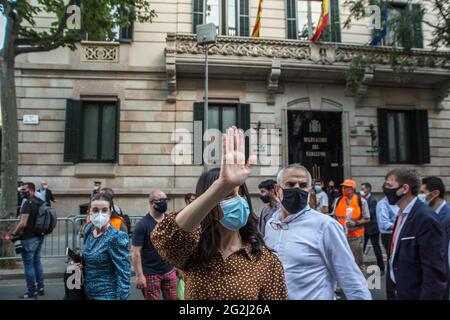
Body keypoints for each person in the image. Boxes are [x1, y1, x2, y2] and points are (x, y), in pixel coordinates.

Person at [151, 127, 287, 299]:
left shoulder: (266, 261)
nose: (237, 201)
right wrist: (222, 185)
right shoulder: (193, 252)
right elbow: (166, 237)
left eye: (240, 194)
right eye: (227, 195)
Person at [264, 164, 371, 300]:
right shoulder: (271, 225)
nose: (297, 188)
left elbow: (351, 279)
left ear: (309, 190)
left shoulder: (326, 226)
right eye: (290, 184)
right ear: (277, 190)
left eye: (302, 185)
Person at [383, 168, 448, 299]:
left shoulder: (425, 218)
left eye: (389, 185)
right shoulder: (402, 213)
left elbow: (434, 272)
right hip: (402, 291)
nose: (385, 189)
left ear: (405, 188)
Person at [82, 193, 131, 300]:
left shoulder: (116, 238)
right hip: (87, 293)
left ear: (110, 212)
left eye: (104, 210)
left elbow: (124, 274)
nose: (100, 214)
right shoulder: (88, 230)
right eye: (95, 210)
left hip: (107, 294)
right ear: (89, 212)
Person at [131, 190, 177, 300]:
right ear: (152, 203)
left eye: (166, 200)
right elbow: (135, 252)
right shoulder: (142, 225)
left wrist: (178, 267)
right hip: (150, 274)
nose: (164, 203)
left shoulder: (170, 220)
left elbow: (175, 245)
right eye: (161, 200)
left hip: (169, 270)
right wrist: (139, 275)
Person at [12, 182, 45, 299]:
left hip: (28, 238)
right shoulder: (40, 201)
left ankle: (31, 291)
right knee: (37, 262)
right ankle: (41, 288)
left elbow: (23, 223)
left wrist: (14, 233)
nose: (22, 191)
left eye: (24, 189)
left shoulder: (27, 203)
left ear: (31, 190)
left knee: (28, 265)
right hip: (39, 236)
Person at [331, 179, 370, 272]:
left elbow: (367, 218)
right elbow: (334, 216)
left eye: (346, 187)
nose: (343, 189)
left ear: (352, 189)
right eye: (343, 187)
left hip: (356, 237)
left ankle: (360, 283)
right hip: (341, 236)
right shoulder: (338, 200)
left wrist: (355, 223)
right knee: (342, 262)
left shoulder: (361, 201)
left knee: (357, 262)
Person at [376, 195, 399, 300]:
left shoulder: (398, 202)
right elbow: (384, 224)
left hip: (397, 233)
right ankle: (391, 295)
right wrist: (401, 224)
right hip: (389, 235)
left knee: (397, 264)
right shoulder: (383, 204)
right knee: (392, 264)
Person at [360, 183, 384, 274]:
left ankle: (381, 268)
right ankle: (359, 267)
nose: (362, 190)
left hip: (372, 228)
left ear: (369, 189)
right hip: (364, 227)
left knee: (376, 248)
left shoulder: (372, 200)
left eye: (363, 189)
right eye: (361, 189)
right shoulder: (363, 199)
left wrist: (361, 213)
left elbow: (371, 212)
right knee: (361, 248)